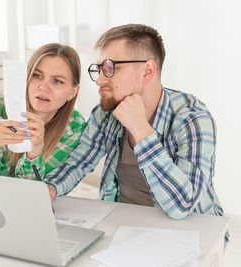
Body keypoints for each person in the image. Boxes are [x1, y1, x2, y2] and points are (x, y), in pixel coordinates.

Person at [44, 24, 225, 223]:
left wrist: (141, 130)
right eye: (99, 69)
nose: (100, 80)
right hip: (127, 225)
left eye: (110, 68)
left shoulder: (192, 118)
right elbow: (79, 163)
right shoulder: (106, 114)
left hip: (191, 232)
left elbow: (183, 206)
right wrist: (50, 188)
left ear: (147, 71)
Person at [0, 43, 86, 181]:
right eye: (37, 75)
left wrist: (35, 152)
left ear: (73, 92)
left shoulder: (74, 127)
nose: (43, 87)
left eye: (57, 81)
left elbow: (40, 191)